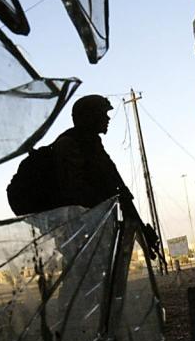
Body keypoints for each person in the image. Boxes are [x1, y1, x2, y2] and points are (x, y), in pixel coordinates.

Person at [10, 94, 161, 259]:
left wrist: (139, 230)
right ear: (89, 117)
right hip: (78, 231)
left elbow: (115, 187)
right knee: (84, 276)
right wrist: (102, 206)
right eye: (102, 113)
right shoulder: (70, 144)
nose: (107, 118)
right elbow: (74, 192)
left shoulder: (91, 145)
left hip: (89, 228)